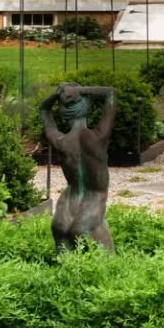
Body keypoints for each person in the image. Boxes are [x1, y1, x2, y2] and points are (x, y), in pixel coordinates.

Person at [39, 82, 117, 253]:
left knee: (60, 230)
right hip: (94, 198)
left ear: (64, 114)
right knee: (82, 231)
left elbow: (44, 110)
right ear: (86, 108)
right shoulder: (98, 138)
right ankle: (111, 269)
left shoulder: (61, 142)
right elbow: (111, 93)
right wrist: (80, 91)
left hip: (69, 199)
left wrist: (57, 95)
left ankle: (63, 275)